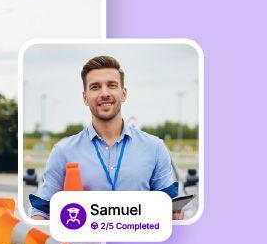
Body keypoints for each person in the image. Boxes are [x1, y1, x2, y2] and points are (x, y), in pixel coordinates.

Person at [30, 55, 184, 220]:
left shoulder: (155, 148)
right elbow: (41, 212)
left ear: (123, 93)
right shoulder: (63, 151)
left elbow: (171, 208)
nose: (104, 93)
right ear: (85, 97)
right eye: (95, 87)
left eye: (112, 85)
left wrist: (175, 214)